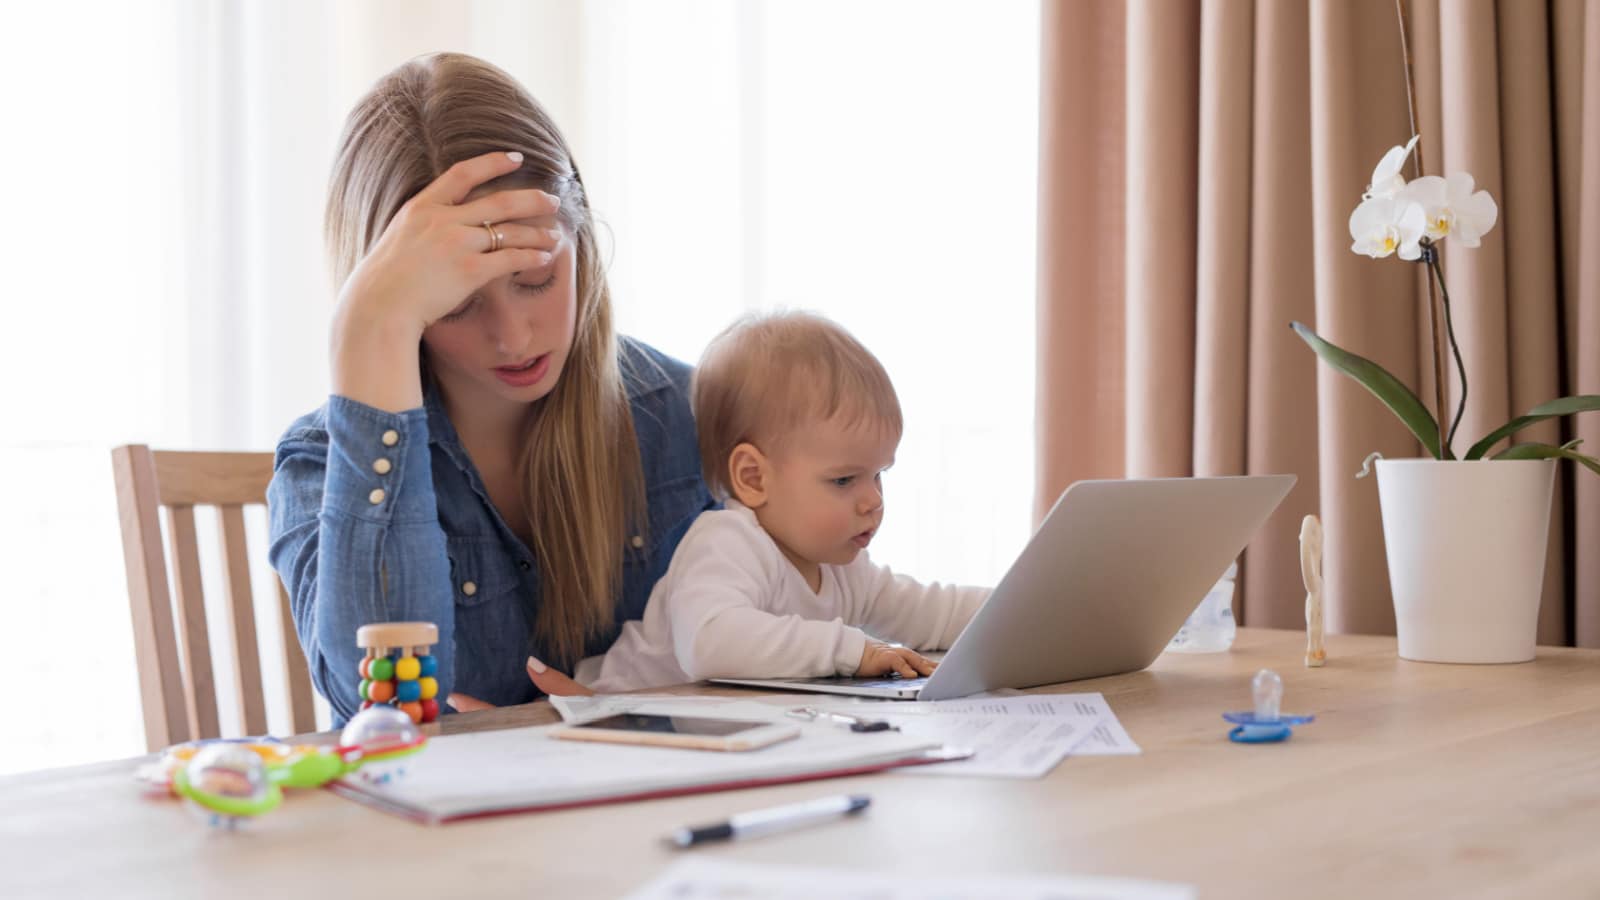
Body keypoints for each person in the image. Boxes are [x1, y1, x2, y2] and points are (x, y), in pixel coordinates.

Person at [267, 52, 712, 723]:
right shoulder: (320, 464)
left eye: (535, 279)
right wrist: (363, 334)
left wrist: (628, 715)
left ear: (581, 241)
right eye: (456, 304)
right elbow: (383, 711)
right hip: (434, 827)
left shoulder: (687, 414)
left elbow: (798, 649)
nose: (513, 337)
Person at [540, 311, 989, 695]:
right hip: (616, 724)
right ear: (753, 478)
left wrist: (1036, 608)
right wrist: (853, 650)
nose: (872, 501)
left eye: (879, 475)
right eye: (844, 479)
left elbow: (931, 612)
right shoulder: (727, 543)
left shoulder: (843, 567)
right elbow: (709, 644)